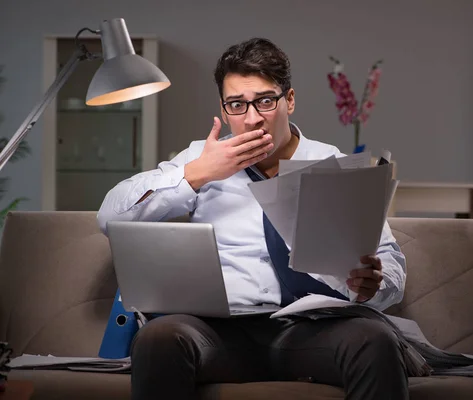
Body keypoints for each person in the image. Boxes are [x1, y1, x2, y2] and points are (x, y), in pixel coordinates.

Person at [97, 37, 408, 400]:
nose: (252, 118)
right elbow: (110, 216)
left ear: (288, 100)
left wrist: (375, 284)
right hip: (216, 331)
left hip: (310, 330)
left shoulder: (333, 164)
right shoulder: (201, 158)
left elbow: (391, 265)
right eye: (237, 105)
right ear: (224, 109)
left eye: (265, 101)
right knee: (158, 338)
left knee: (375, 340)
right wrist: (196, 174)